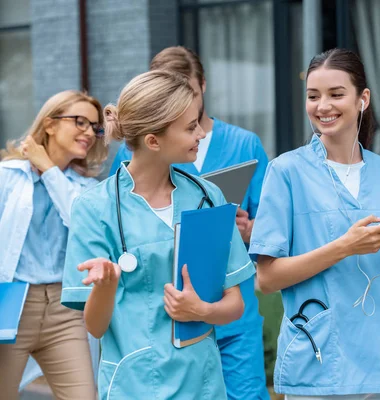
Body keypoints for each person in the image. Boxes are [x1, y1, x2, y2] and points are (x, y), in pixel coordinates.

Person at [60, 70, 255, 399]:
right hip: (135, 384)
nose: (200, 135)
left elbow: (235, 304)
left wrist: (201, 311)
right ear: (153, 140)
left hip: (202, 383)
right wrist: (106, 286)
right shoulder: (95, 208)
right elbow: (94, 326)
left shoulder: (208, 198)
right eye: (191, 127)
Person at [249, 48, 380, 399]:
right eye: (313, 96)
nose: (322, 106)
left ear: (363, 99)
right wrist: (345, 246)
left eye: (336, 94)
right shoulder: (286, 172)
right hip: (321, 363)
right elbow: (266, 280)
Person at [109, 46, 270, 399]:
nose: (183, 108)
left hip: (232, 312)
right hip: (168, 320)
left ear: (204, 86)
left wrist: (246, 230)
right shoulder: (134, 153)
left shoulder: (244, 144)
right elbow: (117, 221)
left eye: (190, 95)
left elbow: (274, 230)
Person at [0, 90, 108, 400]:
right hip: (12, 307)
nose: (88, 132)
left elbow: (82, 223)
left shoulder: (87, 189)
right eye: (79, 122)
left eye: (94, 126)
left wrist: (48, 169)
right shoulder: (7, 176)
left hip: (65, 310)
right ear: (49, 124)